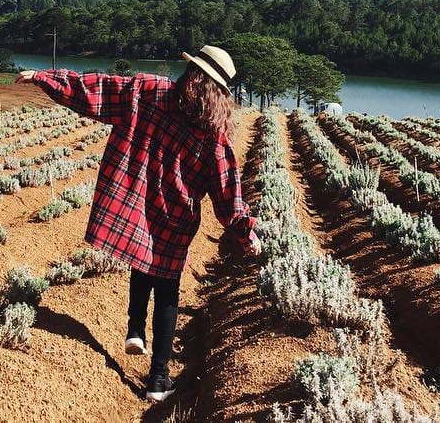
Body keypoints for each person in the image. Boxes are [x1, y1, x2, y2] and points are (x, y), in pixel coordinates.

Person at [16, 44, 261, 402]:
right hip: (176, 217)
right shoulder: (215, 135)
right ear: (221, 93)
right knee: (167, 289)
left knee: (140, 260)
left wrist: (46, 78)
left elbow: (97, 90)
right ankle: (158, 380)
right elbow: (227, 194)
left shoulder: (150, 92)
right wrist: (245, 231)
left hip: (137, 199)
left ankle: (135, 330)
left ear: (190, 73)